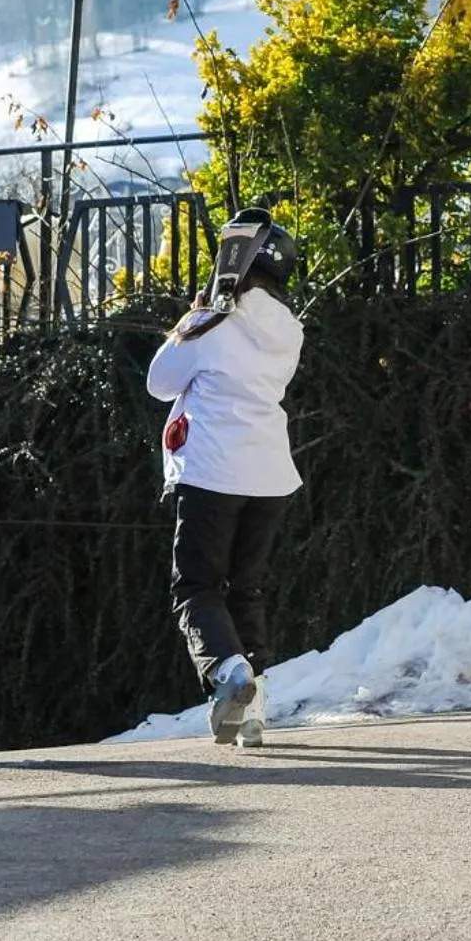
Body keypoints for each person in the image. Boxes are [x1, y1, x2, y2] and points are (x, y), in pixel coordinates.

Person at [146, 208, 304, 747]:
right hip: (270, 474)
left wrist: (190, 321)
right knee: (246, 588)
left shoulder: (212, 322)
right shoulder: (290, 329)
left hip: (212, 470)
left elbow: (159, 383)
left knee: (196, 586)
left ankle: (230, 671)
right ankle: (251, 710)